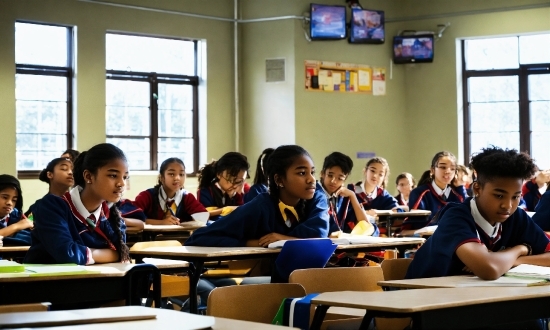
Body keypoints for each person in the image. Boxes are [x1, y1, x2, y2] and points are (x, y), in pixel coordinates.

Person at [406, 147, 550, 281]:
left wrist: (514, 260)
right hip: (421, 298)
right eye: (499, 196)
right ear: (477, 188)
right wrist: (520, 249)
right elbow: (489, 269)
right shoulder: (456, 216)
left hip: (466, 298)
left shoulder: (516, 217)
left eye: (516, 197)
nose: (508, 205)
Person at [186, 145, 329, 247]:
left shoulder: (317, 197)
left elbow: (318, 235)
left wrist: (283, 240)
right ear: (279, 180)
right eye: (302, 173)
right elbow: (200, 237)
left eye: (312, 172)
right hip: (271, 279)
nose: (311, 179)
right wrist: (251, 242)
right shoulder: (262, 206)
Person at [25, 143, 130, 265]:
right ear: (88, 176)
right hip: (48, 282)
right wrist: (111, 254)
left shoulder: (113, 216)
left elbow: (121, 254)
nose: (121, 183)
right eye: (113, 175)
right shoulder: (51, 207)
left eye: (125, 177)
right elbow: (66, 254)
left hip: (96, 282)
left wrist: (104, 254)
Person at [401, 151, 466, 232]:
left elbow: (465, 218)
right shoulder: (420, 193)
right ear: (432, 170)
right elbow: (419, 224)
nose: (448, 171)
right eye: (443, 167)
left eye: (452, 169)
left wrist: (460, 187)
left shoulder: (457, 195)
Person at [134, 157, 207, 225]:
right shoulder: (147, 196)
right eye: (171, 174)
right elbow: (132, 218)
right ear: (162, 177)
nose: (177, 178)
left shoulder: (187, 197)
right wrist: (161, 223)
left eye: (181, 174)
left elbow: (203, 217)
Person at [319, 152, 377, 236]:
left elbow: (366, 226)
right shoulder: (314, 195)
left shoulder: (343, 197)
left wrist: (352, 196)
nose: (333, 181)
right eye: (330, 175)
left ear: (345, 179)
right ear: (322, 174)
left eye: (340, 178)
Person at [196, 152, 249, 220]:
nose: (235, 185)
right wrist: (224, 210)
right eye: (231, 180)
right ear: (219, 174)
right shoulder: (206, 192)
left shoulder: (239, 193)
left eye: (239, 182)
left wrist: (236, 195)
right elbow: (202, 216)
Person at [0, 175, 33, 245]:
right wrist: (16, 226)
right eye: (5, 197)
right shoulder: (20, 223)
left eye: (14, 200)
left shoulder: (17, 215)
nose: (9, 203)